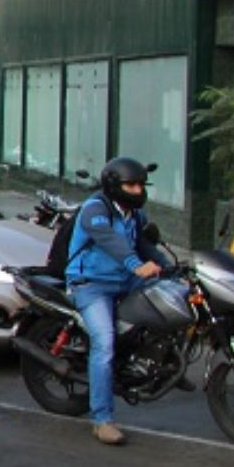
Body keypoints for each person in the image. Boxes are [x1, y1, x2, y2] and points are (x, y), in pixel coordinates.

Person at [64, 156, 162, 447]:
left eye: (141, 185)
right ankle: (102, 420)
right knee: (104, 343)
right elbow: (111, 241)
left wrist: (170, 267)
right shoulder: (96, 209)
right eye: (131, 185)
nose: (137, 190)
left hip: (123, 279)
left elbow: (146, 246)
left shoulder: (136, 215)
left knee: (167, 297)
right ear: (114, 185)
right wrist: (136, 265)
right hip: (92, 284)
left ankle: (164, 362)